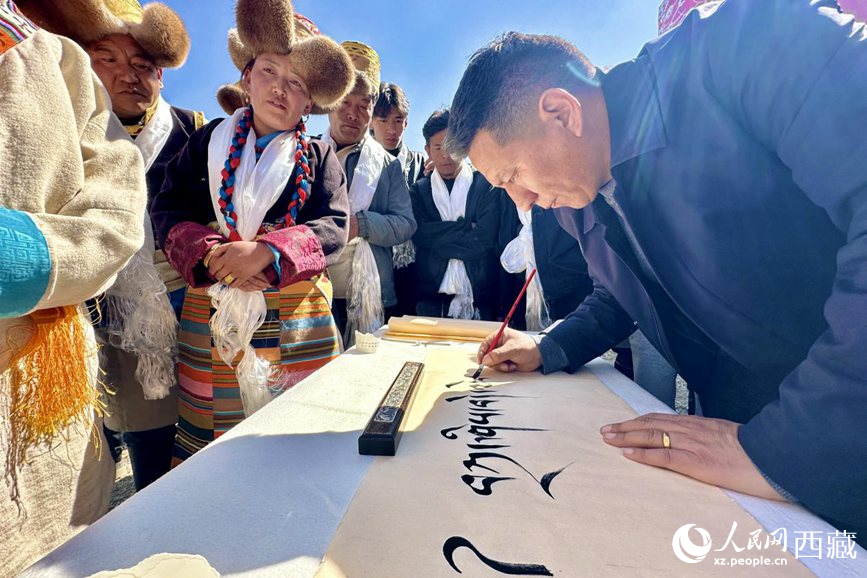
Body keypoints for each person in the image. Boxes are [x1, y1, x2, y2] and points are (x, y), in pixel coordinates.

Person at [447, 0, 867, 541]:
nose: (522, 203)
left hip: (829, 420)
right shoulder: (578, 194)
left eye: (513, 175)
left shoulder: (746, 46)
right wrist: (551, 347)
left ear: (561, 112)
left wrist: (787, 446)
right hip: (742, 425)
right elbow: (628, 288)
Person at [150, 0, 353, 464]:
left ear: (310, 101)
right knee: (216, 442)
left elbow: (334, 226)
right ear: (247, 77)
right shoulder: (204, 142)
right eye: (269, 72)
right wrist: (214, 255)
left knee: (299, 437)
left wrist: (265, 252)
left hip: (297, 312)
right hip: (215, 302)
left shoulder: (319, 158)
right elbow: (167, 207)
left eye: (296, 83)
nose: (280, 89)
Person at [0, 1, 147, 572]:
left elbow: (117, 216)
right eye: (109, 56)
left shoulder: (56, 61)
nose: (128, 73)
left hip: (39, 367)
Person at [39, 0, 201, 492]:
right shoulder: (64, 133)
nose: (126, 76)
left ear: (162, 77)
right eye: (106, 59)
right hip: (104, 313)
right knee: (140, 438)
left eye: (143, 66)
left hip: (189, 310)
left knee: (198, 436)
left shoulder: (194, 130)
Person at [321, 42, 416, 344]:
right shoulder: (306, 154)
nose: (353, 114)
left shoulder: (387, 165)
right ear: (328, 103)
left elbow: (405, 223)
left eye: (364, 106)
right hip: (312, 291)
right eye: (345, 103)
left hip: (370, 291)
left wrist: (360, 225)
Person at [410, 109, 501, 320]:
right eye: (438, 147)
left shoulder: (486, 185)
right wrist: (466, 226)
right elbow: (421, 234)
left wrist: (437, 237)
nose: (445, 155)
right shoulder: (419, 191)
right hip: (430, 299)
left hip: (481, 297)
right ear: (428, 150)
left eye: (452, 146)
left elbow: (485, 239)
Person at [371, 82, 426, 317]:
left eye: (398, 120)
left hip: (415, 267)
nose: (391, 130)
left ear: (407, 122)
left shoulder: (422, 164)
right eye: (383, 121)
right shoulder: (360, 162)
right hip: (373, 262)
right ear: (371, 122)